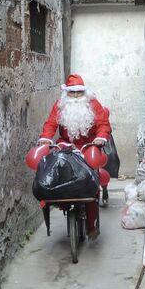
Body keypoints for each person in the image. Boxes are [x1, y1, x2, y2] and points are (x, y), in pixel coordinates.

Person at [38, 74, 111, 239]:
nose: (76, 96)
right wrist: (45, 137)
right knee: (58, 165)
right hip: (67, 144)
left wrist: (101, 137)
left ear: (84, 92)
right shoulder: (60, 105)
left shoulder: (93, 104)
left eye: (79, 92)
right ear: (67, 93)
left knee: (92, 178)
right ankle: (64, 202)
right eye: (72, 93)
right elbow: (50, 124)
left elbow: (103, 124)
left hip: (89, 144)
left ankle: (92, 223)